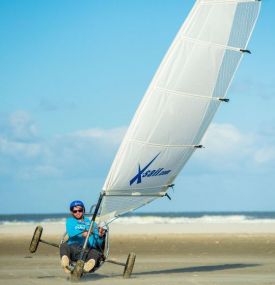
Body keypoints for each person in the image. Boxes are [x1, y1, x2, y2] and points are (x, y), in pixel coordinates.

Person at [60, 200, 105, 273]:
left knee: (96, 253)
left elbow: (98, 243)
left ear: (83, 210)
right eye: (75, 211)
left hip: (87, 250)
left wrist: (100, 236)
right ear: (72, 212)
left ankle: (87, 266)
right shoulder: (70, 221)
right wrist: (82, 234)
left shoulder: (92, 224)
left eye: (80, 210)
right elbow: (71, 232)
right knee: (64, 246)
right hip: (74, 248)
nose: (77, 212)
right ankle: (66, 264)